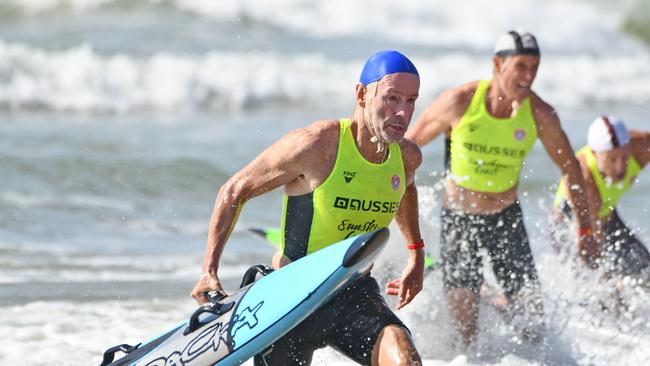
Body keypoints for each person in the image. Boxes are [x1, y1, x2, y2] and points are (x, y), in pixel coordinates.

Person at [191, 50, 426, 366]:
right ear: (361, 94)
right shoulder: (317, 145)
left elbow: (406, 191)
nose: (402, 112)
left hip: (354, 295)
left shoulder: (406, 157)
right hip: (291, 299)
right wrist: (209, 271)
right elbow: (234, 190)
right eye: (392, 98)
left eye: (411, 101)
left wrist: (416, 252)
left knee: (405, 358)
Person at [405, 30, 597, 345]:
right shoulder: (460, 102)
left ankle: (490, 295)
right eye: (521, 66)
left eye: (535, 67)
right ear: (497, 63)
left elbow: (572, 171)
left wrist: (585, 229)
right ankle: (472, 287)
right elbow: (406, 151)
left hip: (506, 219)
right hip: (459, 221)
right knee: (465, 336)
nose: (529, 76)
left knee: (534, 329)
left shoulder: (539, 114)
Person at [553, 116, 650, 282]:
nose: (620, 168)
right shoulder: (585, 178)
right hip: (573, 223)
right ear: (594, 153)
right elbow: (592, 236)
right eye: (611, 159)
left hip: (607, 212)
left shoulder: (642, 146)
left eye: (625, 157)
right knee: (600, 285)